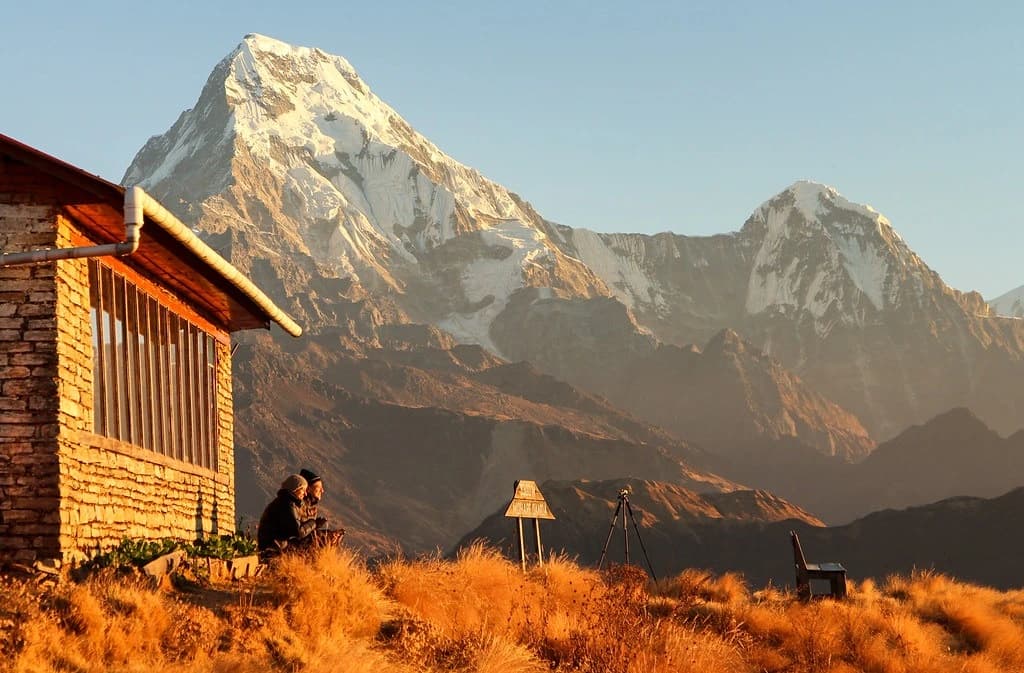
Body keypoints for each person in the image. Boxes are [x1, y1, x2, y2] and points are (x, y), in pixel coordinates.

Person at [257, 474, 317, 557]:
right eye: (303, 490)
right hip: (274, 549)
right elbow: (298, 532)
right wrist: (313, 522)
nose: (305, 494)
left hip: (277, 546)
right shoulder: (287, 504)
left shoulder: (284, 501)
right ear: (296, 489)